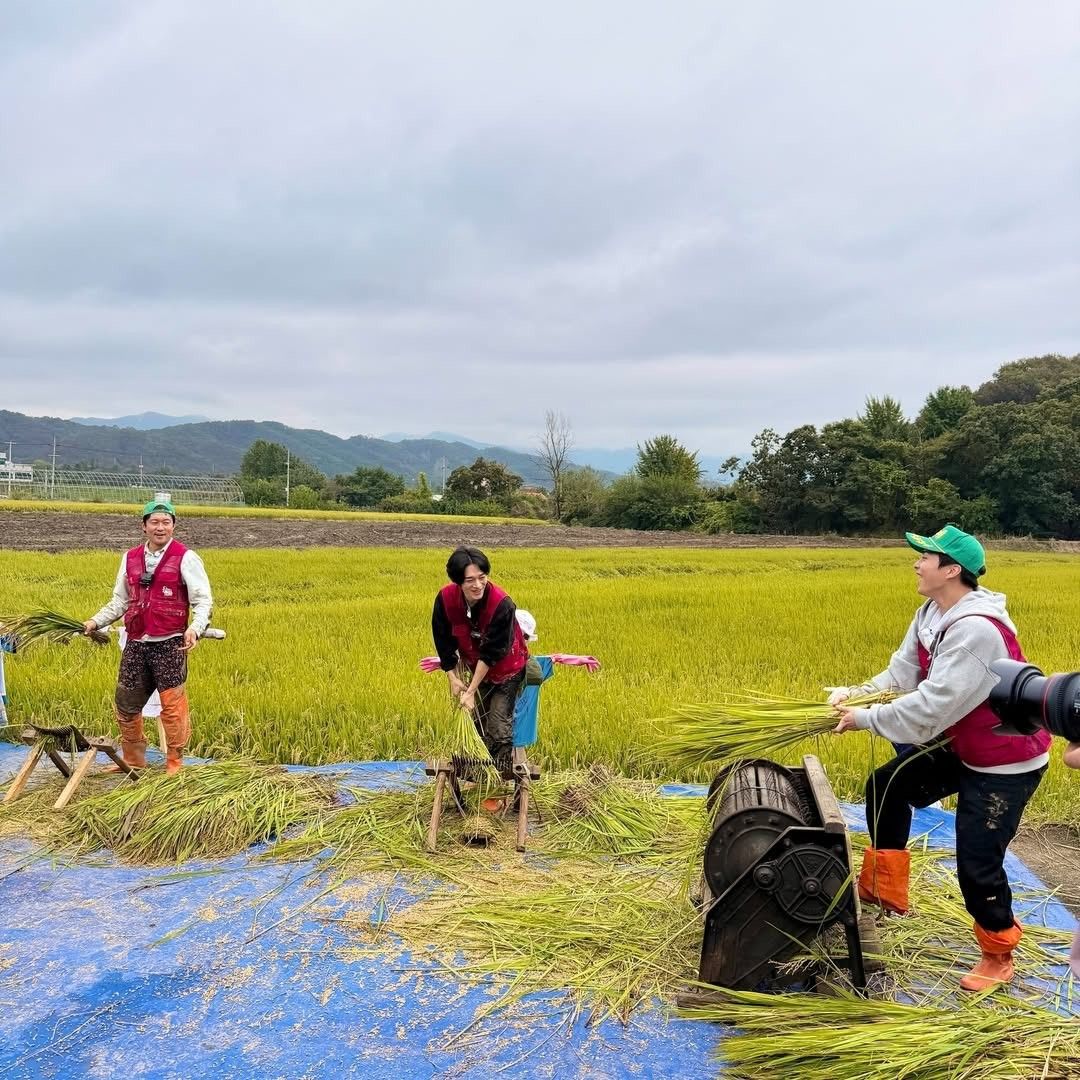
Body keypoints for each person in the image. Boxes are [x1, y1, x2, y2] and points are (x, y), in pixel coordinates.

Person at [831, 524, 1050, 991]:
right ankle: (885, 893)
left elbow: (933, 705)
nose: (916, 562)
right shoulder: (931, 611)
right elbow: (902, 673)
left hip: (1003, 761)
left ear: (952, 570)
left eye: (925, 557)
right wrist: (855, 695)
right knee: (886, 786)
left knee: (977, 861)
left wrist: (865, 719)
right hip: (963, 746)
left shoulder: (976, 630)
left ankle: (998, 953)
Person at [83, 497, 213, 774]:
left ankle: (174, 763)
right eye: (154, 522)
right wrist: (95, 621)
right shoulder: (130, 558)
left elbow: (203, 601)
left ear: (174, 526)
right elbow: (119, 601)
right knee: (126, 704)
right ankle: (133, 759)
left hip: (169, 644)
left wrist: (195, 627)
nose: (160, 527)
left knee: (172, 706)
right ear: (144, 526)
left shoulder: (186, 557)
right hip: (136, 643)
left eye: (166, 522)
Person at [431, 545, 528, 765]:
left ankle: (497, 777)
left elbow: (491, 653)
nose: (477, 585)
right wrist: (454, 678)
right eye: (469, 580)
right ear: (458, 582)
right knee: (477, 722)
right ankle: (473, 770)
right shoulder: (446, 599)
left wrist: (471, 690)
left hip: (507, 670)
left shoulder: (502, 604)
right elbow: (443, 641)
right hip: (478, 668)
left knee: (498, 726)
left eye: (482, 577)